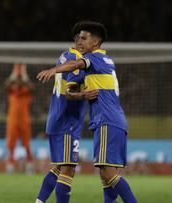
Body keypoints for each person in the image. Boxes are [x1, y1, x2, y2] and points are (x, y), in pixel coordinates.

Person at [37, 21, 138, 203]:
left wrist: (53, 70)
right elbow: (71, 88)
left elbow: (74, 64)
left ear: (96, 43)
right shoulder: (96, 65)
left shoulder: (97, 58)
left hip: (107, 120)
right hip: (110, 120)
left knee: (108, 173)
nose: (79, 41)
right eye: (78, 38)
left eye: (84, 38)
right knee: (105, 175)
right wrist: (80, 93)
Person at [35, 34, 98, 202]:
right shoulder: (76, 59)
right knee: (68, 169)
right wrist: (84, 94)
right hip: (67, 121)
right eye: (83, 39)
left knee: (60, 167)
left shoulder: (65, 55)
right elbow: (69, 92)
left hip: (56, 118)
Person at [5, 64, 33, 174]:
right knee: (11, 144)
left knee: (26, 144)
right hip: (12, 121)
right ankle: (10, 165)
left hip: (25, 121)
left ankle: (29, 165)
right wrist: (13, 74)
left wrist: (24, 74)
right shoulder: (12, 91)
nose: (18, 82)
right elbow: (7, 85)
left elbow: (30, 86)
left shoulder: (26, 92)